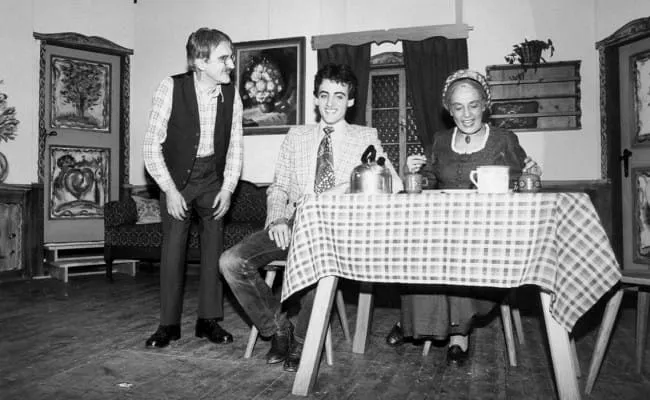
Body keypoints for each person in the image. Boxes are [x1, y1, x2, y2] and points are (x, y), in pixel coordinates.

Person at [219, 63, 402, 372]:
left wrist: (342, 187)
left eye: (339, 96)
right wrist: (277, 220)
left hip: (335, 229)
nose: (331, 103)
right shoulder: (297, 136)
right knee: (231, 262)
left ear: (350, 101)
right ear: (316, 98)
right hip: (294, 223)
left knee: (319, 263)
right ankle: (279, 328)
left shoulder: (365, 137)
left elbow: (393, 184)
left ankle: (304, 341)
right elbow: (279, 187)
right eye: (324, 95)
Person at [384, 69, 541, 365]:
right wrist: (413, 172)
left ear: (485, 105)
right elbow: (430, 180)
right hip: (444, 227)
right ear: (449, 109)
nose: (466, 114)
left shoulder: (503, 140)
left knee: (459, 250)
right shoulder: (441, 140)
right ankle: (413, 320)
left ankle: (460, 333)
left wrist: (532, 174)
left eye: (473, 105)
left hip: (487, 234)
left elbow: (522, 183)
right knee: (416, 247)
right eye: (458, 107)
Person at [142, 27, 243, 348]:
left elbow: (236, 147)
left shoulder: (232, 95)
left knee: (215, 248)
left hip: (212, 178)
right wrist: (170, 190)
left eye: (230, 57)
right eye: (224, 58)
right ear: (200, 61)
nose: (231, 64)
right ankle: (168, 325)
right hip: (177, 180)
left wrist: (228, 188)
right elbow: (150, 147)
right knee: (173, 250)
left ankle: (208, 321)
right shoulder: (170, 88)